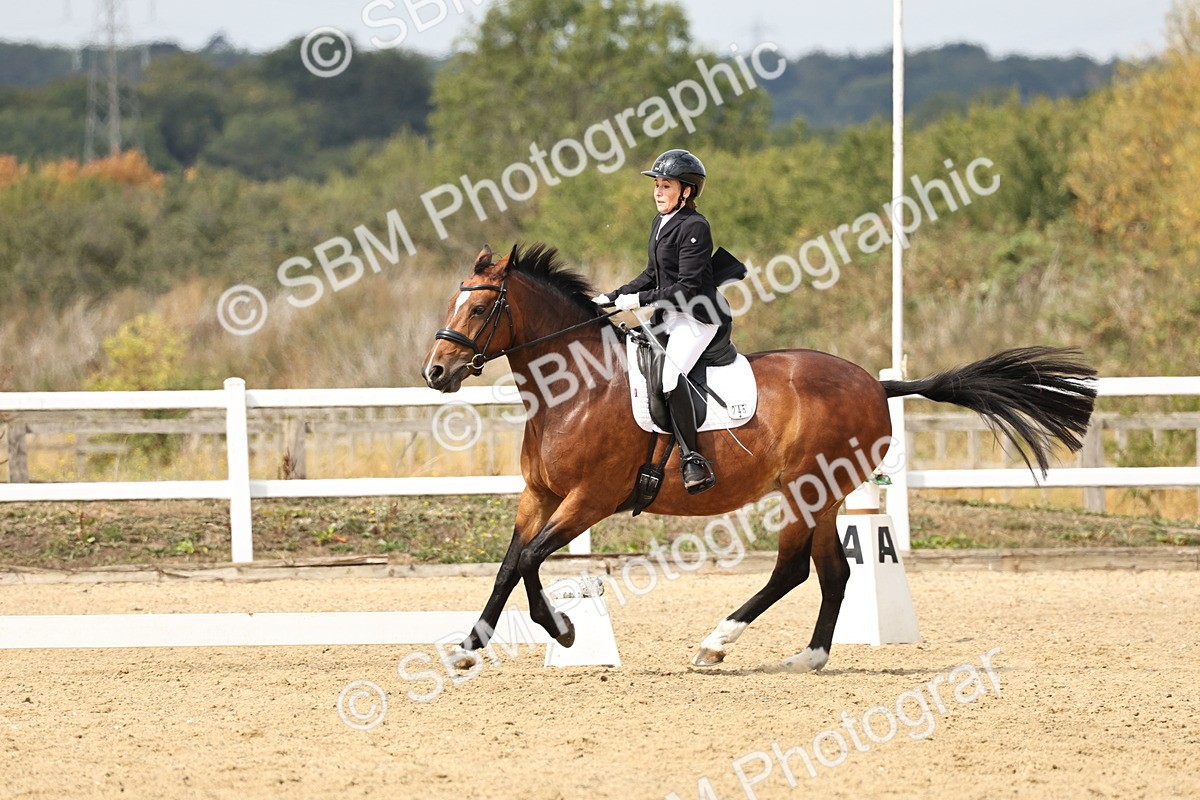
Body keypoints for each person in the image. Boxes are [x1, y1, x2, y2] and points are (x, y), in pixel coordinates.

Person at [592, 149, 731, 494]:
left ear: (686, 191)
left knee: (670, 377)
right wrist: (613, 296)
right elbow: (652, 273)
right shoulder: (661, 222)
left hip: (696, 317)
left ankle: (692, 458)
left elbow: (687, 287)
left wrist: (640, 300)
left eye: (666, 186)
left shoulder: (696, 226)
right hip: (668, 315)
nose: (657, 192)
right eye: (656, 185)